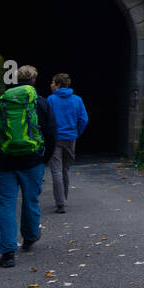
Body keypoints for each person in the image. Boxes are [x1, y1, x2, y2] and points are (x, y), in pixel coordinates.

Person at [0, 64, 57, 268]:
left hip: (4, 161)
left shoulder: (1, 102)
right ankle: (30, 236)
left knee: (6, 205)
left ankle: (8, 253)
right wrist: (45, 157)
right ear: (34, 81)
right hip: (32, 160)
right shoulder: (40, 102)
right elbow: (50, 132)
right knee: (31, 200)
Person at [45, 72, 88, 213]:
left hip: (55, 139)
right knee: (65, 170)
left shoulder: (50, 100)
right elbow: (83, 119)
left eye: (52, 82)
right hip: (71, 138)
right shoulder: (77, 100)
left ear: (57, 85)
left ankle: (60, 203)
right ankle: (65, 198)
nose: (51, 85)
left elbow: (46, 120)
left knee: (56, 170)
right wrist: (76, 132)